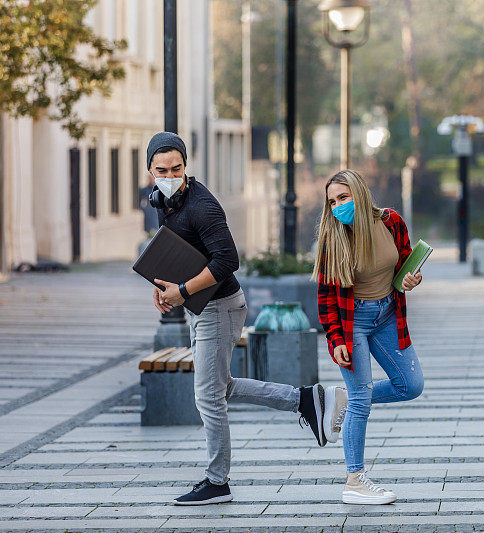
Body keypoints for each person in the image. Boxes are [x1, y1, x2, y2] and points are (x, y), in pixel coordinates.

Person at [145, 132, 347, 506]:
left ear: (186, 166)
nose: (170, 175)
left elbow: (227, 261)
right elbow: (174, 249)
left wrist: (184, 291)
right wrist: (162, 287)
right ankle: (306, 400)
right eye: (162, 170)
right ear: (150, 171)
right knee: (221, 387)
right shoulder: (164, 201)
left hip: (219, 307)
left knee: (208, 395)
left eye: (177, 168)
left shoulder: (203, 206)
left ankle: (216, 481)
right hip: (203, 305)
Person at [312, 169, 424, 505]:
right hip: (352, 322)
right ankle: (355, 481)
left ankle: (342, 399)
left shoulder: (391, 222)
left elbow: (404, 265)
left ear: (360, 194)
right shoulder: (334, 238)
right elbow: (325, 297)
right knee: (362, 397)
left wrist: (411, 278)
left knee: (410, 385)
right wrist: (336, 340)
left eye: (343, 198)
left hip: (389, 314)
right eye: (332, 201)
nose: (337, 206)